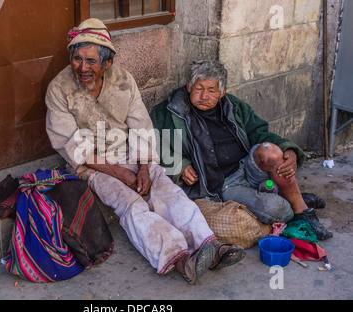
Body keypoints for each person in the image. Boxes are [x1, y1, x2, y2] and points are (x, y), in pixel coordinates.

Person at [45, 19, 245, 284]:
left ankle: (211, 244)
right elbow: (71, 144)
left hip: (130, 152)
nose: (83, 67)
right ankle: (180, 259)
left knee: (166, 189)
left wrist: (141, 167)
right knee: (131, 204)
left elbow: (140, 126)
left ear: (107, 63)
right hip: (91, 163)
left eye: (92, 61)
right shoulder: (59, 88)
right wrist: (119, 173)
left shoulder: (123, 80)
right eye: (78, 59)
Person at [150, 60, 332, 241]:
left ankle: (301, 211)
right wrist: (180, 165)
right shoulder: (168, 112)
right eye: (199, 88)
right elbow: (152, 143)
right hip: (224, 183)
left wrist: (288, 150)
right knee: (277, 209)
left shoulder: (233, 106)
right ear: (189, 86)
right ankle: (292, 202)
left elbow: (259, 132)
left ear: (222, 92)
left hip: (248, 166)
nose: (204, 96)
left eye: (212, 90)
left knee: (272, 151)